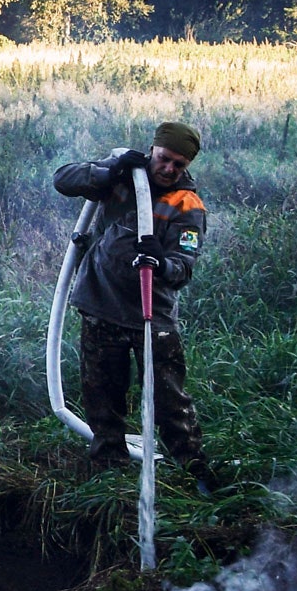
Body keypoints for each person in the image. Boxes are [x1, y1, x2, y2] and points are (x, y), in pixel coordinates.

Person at [54, 120, 216, 493]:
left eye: (179, 164)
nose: (169, 169)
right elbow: (63, 180)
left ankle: (194, 473)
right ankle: (108, 474)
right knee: (102, 397)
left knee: (169, 400)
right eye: (164, 159)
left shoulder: (186, 205)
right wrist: (108, 169)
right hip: (100, 305)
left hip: (151, 317)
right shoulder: (123, 177)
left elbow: (184, 266)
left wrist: (162, 261)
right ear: (153, 150)